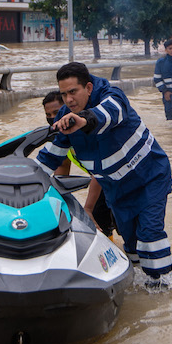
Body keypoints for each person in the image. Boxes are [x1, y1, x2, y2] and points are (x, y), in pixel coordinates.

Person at [37, 62, 172, 289]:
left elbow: (111, 112)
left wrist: (85, 120)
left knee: (150, 235)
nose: (69, 100)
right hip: (116, 189)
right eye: (64, 94)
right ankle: (141, 289)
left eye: (73, 92)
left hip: (149, 177)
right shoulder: (65, 118)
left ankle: (164, 290)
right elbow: (48, 159)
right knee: (130, 243)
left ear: (88, 88)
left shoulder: (111, 96)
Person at [42, 91, 117, 238]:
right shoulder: (62, 135)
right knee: (102, 222)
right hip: (101, 180)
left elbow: (100, 170)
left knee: (103, 218)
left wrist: (87, 208)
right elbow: (62, 167)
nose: (52, 118)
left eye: (56, 112)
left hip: (114, 179)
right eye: (48, 115)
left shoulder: (86, 130)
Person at [152, 40, 172, 121]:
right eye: (170, 48)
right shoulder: (161, 62)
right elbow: (157, 79)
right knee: (169, 116)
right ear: (166, 50)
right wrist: (165, 91)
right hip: (167, 93)